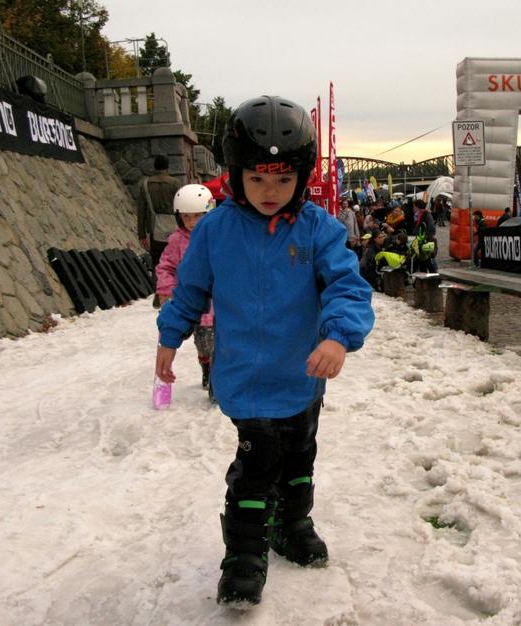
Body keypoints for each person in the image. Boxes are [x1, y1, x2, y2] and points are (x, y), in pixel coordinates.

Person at [155, 95, 375, 606]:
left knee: (300, 457)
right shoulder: (215, 229)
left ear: (301, 176)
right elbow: (190, 290)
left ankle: (293, 524)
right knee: (257, 465)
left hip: (302, 376)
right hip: (246, 380)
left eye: (281, 179)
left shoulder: (319, 228)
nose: (269, 191)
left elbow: (347, 286)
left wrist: (338, 336)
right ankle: (243, 556)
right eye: (257, 179)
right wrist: (171, 335)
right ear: (237, 176)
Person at [155, 184, 217, 393]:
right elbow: (166, 266)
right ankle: (207, 369)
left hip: (220, 307)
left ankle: (216, 383)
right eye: (186, 217)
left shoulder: (218, 236)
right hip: (194, 308)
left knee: (222, 348)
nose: (191, 222)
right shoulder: (176, 240)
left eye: (197, 216)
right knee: (204, 346)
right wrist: (166, 289)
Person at [137, 155, 182, 307]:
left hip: (155, 230)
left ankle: (159, 291)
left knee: (158, 263)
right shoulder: (175, 183)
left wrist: (142, 234)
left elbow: (141, 211)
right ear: (167, 167)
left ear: (155, 167)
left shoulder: (145, 185)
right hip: (175, 230)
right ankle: (177, 292)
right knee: (176, 261)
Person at [411, 198, 437, 273]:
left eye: (414, 206)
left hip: (425, 240)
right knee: (421, 261)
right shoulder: (417, 215)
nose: (413, 208)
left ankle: (434, 276)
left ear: (417, 207)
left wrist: (427, 238)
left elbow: (431, 227)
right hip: (419, 240)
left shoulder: (426, 214)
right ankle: (424, 278)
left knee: (426, 260)